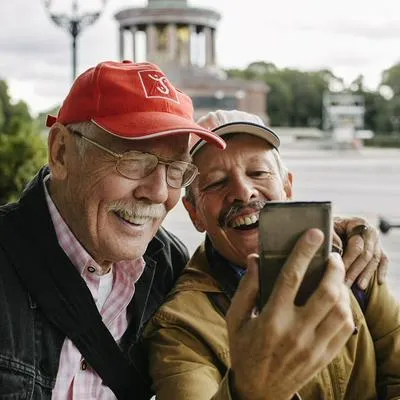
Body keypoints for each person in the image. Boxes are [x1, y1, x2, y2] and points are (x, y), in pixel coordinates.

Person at [0, 60, 225, 399]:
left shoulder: (171, 267)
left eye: (176, 169)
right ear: (61, 153)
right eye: (134, 161)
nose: (160, 192)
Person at [143, 110, 400, 399]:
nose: (243, 191)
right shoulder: (181, 326)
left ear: (287, 188)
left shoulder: (352, 260)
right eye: (216, 182)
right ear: (195, 214)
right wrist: (252, 389)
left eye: (258, 173)